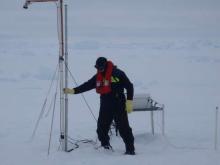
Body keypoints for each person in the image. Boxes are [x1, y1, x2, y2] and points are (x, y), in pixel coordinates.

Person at [63, 57, 135, 155]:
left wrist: (129, 101)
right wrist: (73, 91)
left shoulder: (118, 73)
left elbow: (129, 86)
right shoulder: (98, 76)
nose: (99, 70)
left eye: (100, 68)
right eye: (97, 68)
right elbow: (87, 85)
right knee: (101, 128)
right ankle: (105, 146)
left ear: (105, 66)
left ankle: (130, 150)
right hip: (105, 104)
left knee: (123, 128)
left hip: (119, 104)